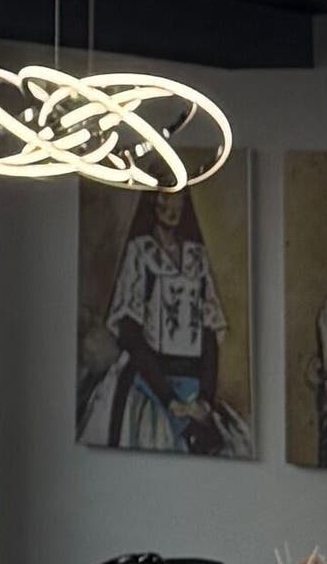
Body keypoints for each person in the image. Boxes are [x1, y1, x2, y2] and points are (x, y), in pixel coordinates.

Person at [79, 187, 250, 457]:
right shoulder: (140, 253)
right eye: (165, 198)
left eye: (177, 198)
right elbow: (130, 332)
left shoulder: (197, 257)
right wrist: (169, 399)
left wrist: (204, 400)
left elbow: (209, 329)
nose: (172, 207)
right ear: (152, 201)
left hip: (194, 388)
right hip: (149, 384)